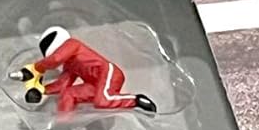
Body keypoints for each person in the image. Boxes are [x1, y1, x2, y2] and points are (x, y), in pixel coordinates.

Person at [13, 26, 157, 115]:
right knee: (68, 94)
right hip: (95, 84)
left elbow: (56, 58)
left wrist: (36, 68)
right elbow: (62, 84)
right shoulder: (70, 64)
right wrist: (42, 89)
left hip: (108, 72)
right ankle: (62, 126)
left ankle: (136, 100)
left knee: (102, 101)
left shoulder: (72, 44)